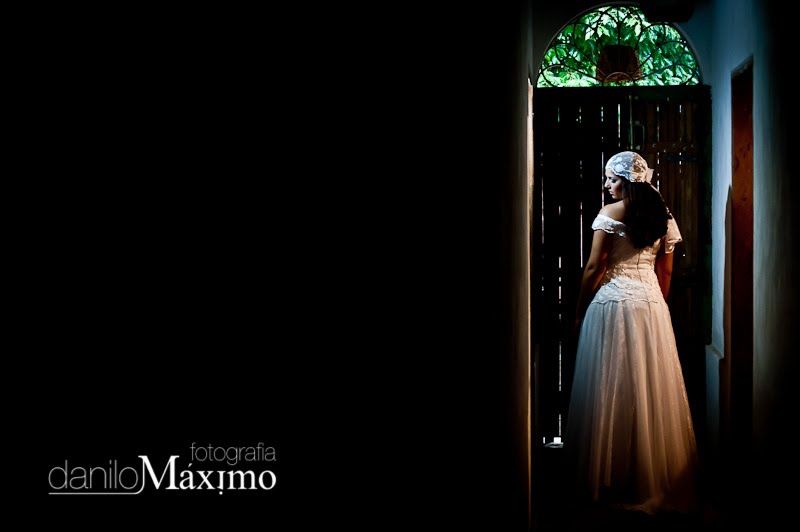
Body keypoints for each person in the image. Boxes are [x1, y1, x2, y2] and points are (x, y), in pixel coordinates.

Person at [565, 151, 698, 514]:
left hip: (611, 305)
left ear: (626, 181)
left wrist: (578, 311)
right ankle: (647, 475)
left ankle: (608, 476)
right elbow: (665, 272)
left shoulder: (611, 213)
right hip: (651, 306)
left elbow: (595, 266)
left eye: (611, 179)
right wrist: (655, 303)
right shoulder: (663, 215)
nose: (607, 185)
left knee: (609, 386)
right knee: (647, 387)